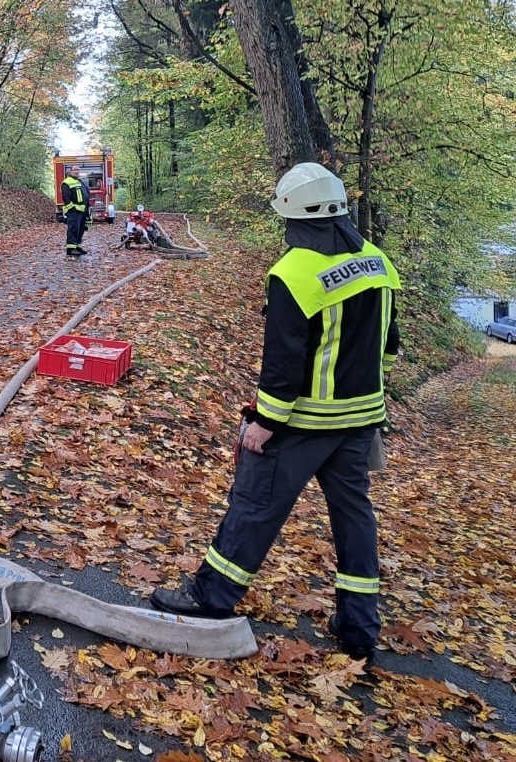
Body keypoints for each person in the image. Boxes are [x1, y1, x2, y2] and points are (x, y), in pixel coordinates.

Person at [149, 162, 400, 661]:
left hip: (303, 423)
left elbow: (284, 363)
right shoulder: (378, 262)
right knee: (354, 518)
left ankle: (210, 597)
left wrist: (265, 422)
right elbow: (388, 346)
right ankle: (359, 625)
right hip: (360, 421)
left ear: (292, 216)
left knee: (255, 506)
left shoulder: (295, 272)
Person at [60, 169, 88, 258]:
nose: (77, 171)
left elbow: (85, 194)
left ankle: (77, 246)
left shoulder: (79, 181)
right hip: (74, 211)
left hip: (82, 210)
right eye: (75, 170)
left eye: (78, 170)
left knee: (80, 229)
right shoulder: (66, 182)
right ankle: (71, 249)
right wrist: (72, 208)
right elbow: (66, 197)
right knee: (73, 229)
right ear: (70, 171)